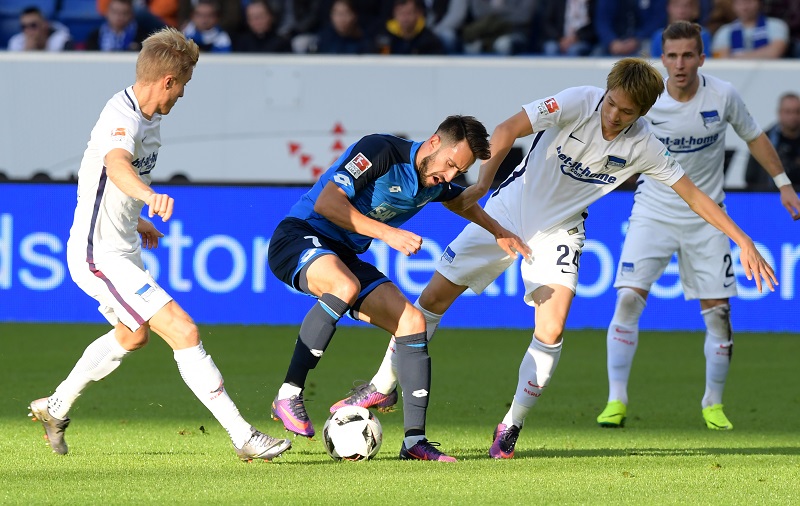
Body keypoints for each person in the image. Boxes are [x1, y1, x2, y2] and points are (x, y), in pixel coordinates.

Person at [331, 56, 778, 459]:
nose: (613, 115)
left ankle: (511, 425)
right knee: (431, 302)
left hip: (560, 231)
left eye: (626, 112)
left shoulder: (645, 145)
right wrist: (483, 184)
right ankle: (381, 386)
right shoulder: (576, 102)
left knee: (552, 326)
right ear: (606, 92)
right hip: (507, 210)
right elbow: (506, 129)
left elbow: (694, 195)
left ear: (642, 113)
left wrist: (742, 241)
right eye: (612, 103)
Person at [28, 27, 291, 463]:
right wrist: (149, 196)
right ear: (168, 80)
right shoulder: (122, 117)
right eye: (183, 84)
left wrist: (136, 219)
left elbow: (107, 181)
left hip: (122, 245)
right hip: (98, 254)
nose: (182, 94)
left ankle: (56, 407)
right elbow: (116, 165)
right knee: (183, 330)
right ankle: (243, 435)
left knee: (132, 336)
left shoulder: (150, 120)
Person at [267, 115, 530, 462]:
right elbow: (327, 203)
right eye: (451, 164)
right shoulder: (380, 150)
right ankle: (289, 393)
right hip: (298, 236)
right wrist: (388, 233)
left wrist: (498, 231)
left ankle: (414, 441)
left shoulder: (435, 181)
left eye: (459, 171)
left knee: (412, 322)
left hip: (343, 255)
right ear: (434, 142)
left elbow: (458, 201)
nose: (450, 176)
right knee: (344, 285)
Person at [596, 21, 800, 432]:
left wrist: (783, 183)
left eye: (688, 55)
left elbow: (755, 137)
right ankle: (616, 400)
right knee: (628, 300)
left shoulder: (723, 95)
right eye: (672, 56)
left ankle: (713, 404)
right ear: (662, 59)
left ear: (702, 58)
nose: (679, 64)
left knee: (719, 314)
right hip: (653, 211)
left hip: (708, 218)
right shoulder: (648, 101)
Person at [746, 93, 800, 190]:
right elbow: (750, 176)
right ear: (779, 113)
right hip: (770, 195)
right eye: (788, 112)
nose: (793, 116)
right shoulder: (762, 140)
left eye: (797, 111)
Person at [710, 0, 788, 58]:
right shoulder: (724, 31)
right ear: (733, 6)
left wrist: (736, 57)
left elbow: (774, 52)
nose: (744, 7)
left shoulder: (776, 25)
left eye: (749, 2)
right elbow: (722, 58)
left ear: (759, 3)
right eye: (739, 3)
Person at [594, 0, 666, 56]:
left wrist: (637, 39)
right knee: (596, 55)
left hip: (645, 40)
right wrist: (611, 42)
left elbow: (658, 20)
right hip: (613, 44)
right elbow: (602, 21)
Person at [375, 0, 446, 55]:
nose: (405, 18)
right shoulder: (384, 38)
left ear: (418, 13)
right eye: (401, 13)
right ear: (394, 13)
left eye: (409, 13)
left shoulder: (429, 40)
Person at [86, 0, 151, 52]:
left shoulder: (142, 37)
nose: (119, 17)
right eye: (115, 12)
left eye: (124, 13)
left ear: (131, 14)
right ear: (107, 12)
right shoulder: (94, 36)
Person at [7, 6, 73, 51]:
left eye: (33, 25)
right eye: (24, 27)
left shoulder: (62, 41)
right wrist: (26, 53)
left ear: (45, 25)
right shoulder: (16, 43)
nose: (28, 30)